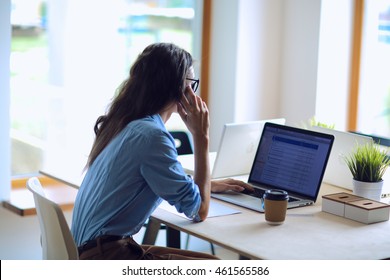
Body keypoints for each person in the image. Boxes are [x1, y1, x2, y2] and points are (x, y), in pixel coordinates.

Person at [71, 43, 253, 260]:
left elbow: (153, 178)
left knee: (214, 262)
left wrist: (205, 186)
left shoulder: (125, 123)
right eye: (191, 84)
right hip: (108, 256)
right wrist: (201, 137)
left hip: (94, 250)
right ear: (177, 88)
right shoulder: (153, 136)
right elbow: (199, 210)